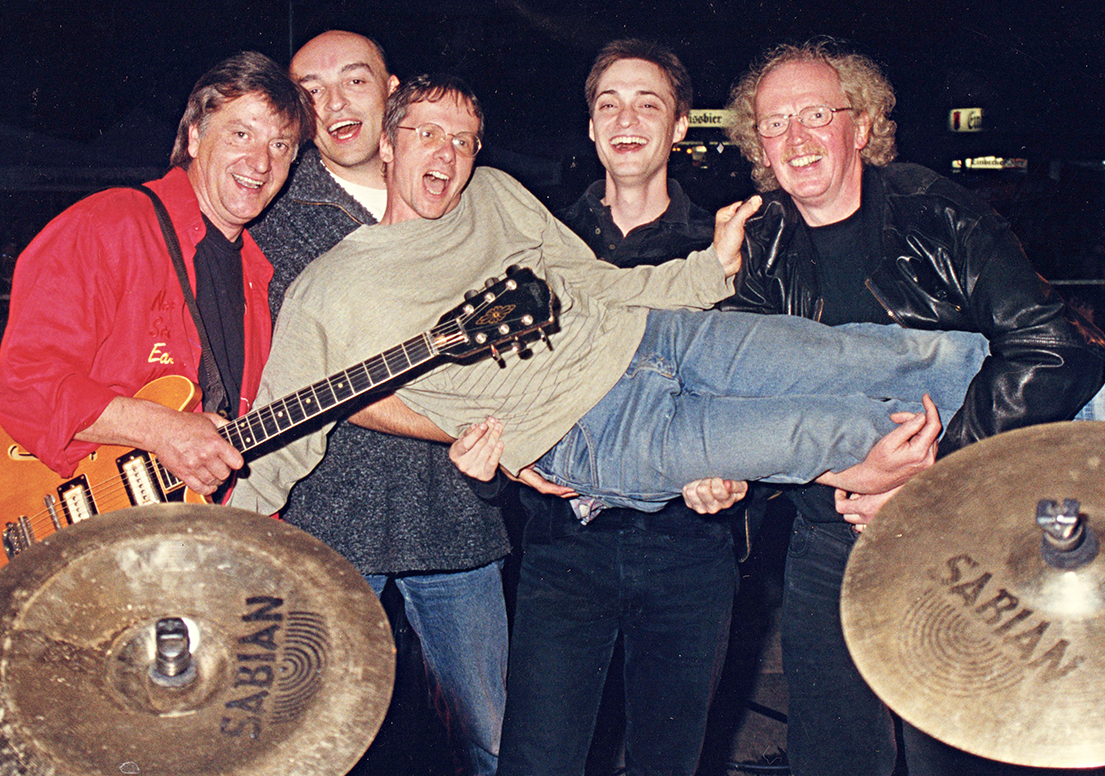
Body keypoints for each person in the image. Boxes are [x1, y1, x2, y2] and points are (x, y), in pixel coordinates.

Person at [227, 72, 1001, 554]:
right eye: (426, 134)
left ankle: (1093, 396)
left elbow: (591, 282)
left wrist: (706, 272)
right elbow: (281, 429)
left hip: (648, 335)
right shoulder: (328, 291)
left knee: (849, 355)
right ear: (389, 149)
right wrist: (229, 530)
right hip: (591, 431)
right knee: (818, 431)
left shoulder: (493, 195)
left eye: (463, 139)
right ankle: (1009, 483)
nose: (447, 154)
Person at [718, 39, 1105, 776]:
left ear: (857, 123)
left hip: (951, 526)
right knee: (832, 768)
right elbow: (750, 395)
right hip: (831, 535)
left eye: (815, 114)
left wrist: (931, 464)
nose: (795, 137)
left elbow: (1054, 350)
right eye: (773, 123)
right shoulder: (766, 243)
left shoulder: (935, 213)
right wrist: (843, 475)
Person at [250, 30, 510, 776]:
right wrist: (468, 421)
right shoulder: (284, 219)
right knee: (331, 744)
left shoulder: (462, 202)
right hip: (331, 518)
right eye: (309, 89)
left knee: (489, 742)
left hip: (456, 518)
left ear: (392, 93)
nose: (334, 105)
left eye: (353, 81)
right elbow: (326, 382)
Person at [479, 41, 740, 776]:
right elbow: (496, 377)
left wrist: (729, 465)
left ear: (675, 127)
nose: (627, 119)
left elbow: (750, 380)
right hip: (565, 545)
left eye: (648, 103)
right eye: (611, 104)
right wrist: (514, 455)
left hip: (687, 545)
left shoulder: (725, 246)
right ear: (591, 127)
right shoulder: (539, 242)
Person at [0, 50, 310, 503]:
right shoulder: (110, 223)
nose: (261, 163)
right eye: (241, 134)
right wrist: (162, 428)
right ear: (195, 136)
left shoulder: (260, 274)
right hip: (82, 524)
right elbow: (25, 383)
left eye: (280, 146)